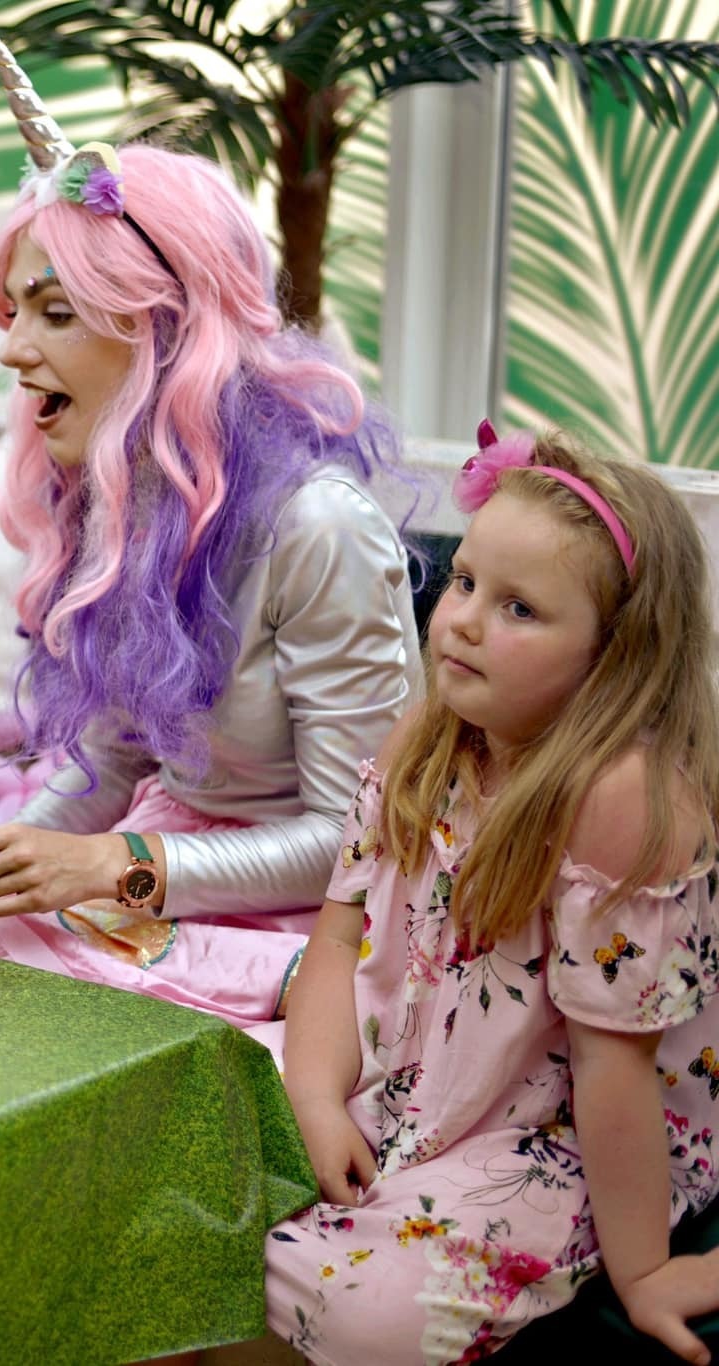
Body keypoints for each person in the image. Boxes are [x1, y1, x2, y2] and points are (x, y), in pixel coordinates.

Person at [0, 42, 418, 1039]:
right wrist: (6, 856)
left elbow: (357, 846)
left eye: (53, 313)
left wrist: (114, 865)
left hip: (302, 926)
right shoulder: (125, 497)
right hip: (158, 880)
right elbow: (116, 759)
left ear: (166, 332)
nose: (10, 349)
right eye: (15, 312)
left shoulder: (319, 527)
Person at [269, 428, 719, 1363]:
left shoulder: (619, 801)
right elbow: (339, 940)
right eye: (465, 582)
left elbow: (612, 1070)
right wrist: (314, 1096)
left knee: (362, 1309)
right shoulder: (428, 740)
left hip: (555, 1133)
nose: (464, 620)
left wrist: (644, 1273)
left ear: (615, 653)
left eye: (518, 608)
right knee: (201, 1170)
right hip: (404, 1074)